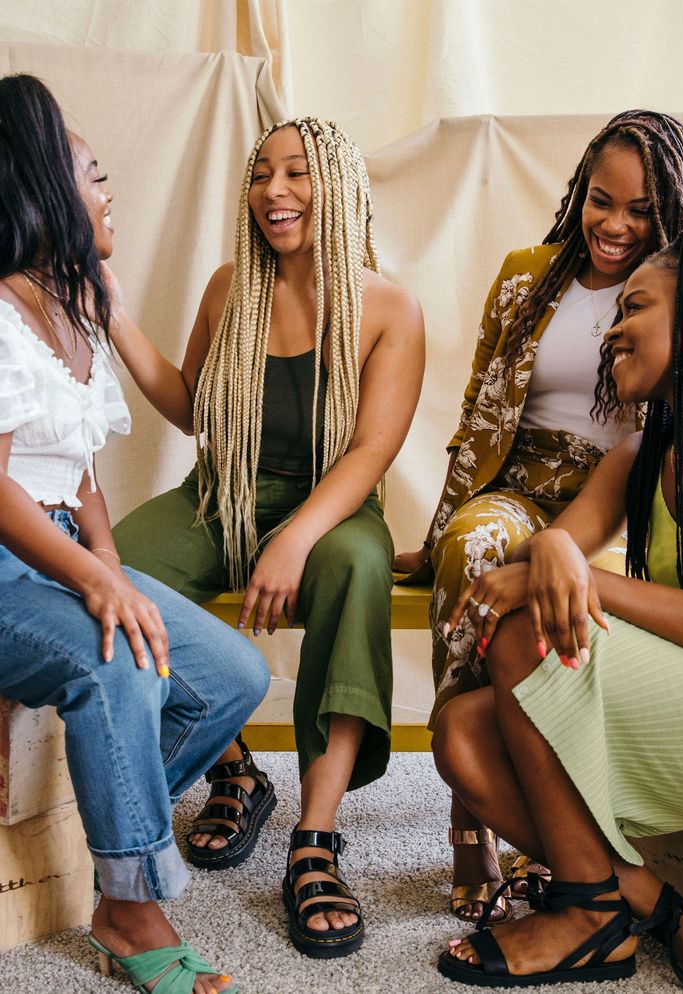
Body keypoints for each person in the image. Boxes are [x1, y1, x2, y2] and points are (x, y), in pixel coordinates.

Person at [110, 117, 425, 957]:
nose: (274, 191)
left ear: (339, 185)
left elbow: (371, 453)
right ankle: (234, 768)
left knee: (359, 567)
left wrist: (292, 541)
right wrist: (112, 314)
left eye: (296, 173)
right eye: (260, 175)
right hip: (222, 494)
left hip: (330, 503)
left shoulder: (390, 307)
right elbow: (190, 406)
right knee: (114, 568)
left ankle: (316, 836)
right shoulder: (228, 290)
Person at [393, 110, 683, 924]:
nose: (614, 224)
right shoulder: (527, 273)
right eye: (600, 200)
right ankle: (474, 808)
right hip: (523, 479)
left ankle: (566, 827)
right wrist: (437, 538)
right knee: (478, 546)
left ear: (671, 211)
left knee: (551, 614)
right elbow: (478, 412)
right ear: (578, 192)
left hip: (618, 503)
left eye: (640, 211)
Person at [0, 74, 271, 994]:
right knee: (115, 663)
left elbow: (77, 473)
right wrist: (95, 580)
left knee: (232, 675)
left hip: (63, 543)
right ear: (41, 188)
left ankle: (112, 831)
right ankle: (130, 911)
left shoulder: (73, 310)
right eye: (95, 175)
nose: (111, 193)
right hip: (6, 561)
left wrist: (109, 565)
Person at [433, 225, 683, 990]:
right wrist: (558, 551)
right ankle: (649, 904)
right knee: (462, 733)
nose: (612, 332)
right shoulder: (641, 455)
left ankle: (586, 915)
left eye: (635, 307)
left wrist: (578, 574)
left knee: (527, 629)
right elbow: (545, 554)